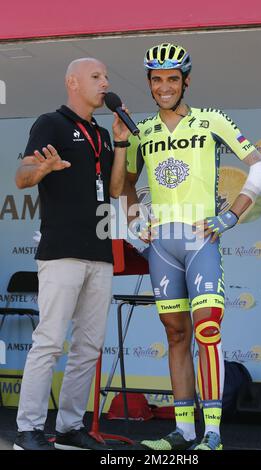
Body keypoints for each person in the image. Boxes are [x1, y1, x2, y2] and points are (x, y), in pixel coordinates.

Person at [124, 43, 261, 451]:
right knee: (175, 335)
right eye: (157, 79)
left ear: (185, 81)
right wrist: (137, 222)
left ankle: (214, 434)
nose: (165, 86)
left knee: (206, 329)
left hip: (200, 241)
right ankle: (183, 430)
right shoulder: (141, 132)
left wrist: (231, 215)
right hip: (162, 248)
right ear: (150, 84)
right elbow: (126, 185)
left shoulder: (212, 120)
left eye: (173, 79)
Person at [14, 58, 130, 450]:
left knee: (89, 347)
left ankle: (69, 428)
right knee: (49, 340)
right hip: (62, 251)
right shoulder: (50, 123)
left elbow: (115, 190)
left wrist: (122, 142)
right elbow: (22, 177)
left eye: (106, 77)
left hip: (99, 251)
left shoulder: (100, 131)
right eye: (96, 77)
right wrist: (44, 169)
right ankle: (28, 429)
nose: (105, 83)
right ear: (73, 82)